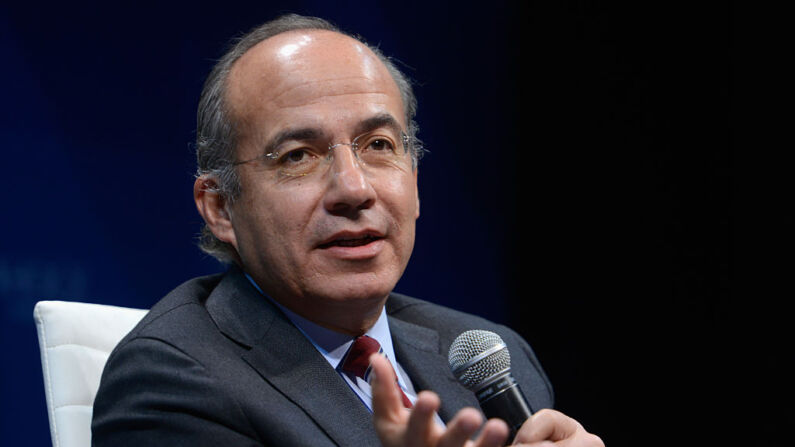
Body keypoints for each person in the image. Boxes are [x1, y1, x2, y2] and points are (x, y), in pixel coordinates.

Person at [92, 14, 603, 447]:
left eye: (378, 145)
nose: (354, 189)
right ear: (221, 207)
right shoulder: (172, 384)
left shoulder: (491, 355)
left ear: (417, 184)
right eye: (298, 156)